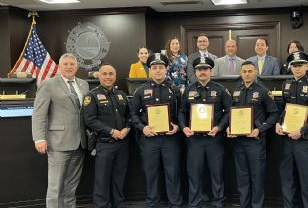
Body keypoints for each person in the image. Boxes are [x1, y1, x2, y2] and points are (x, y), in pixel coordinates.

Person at [32, 53, 89, 208]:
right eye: (66, 64)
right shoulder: (48, 84)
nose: (69, 67)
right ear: (59, 66)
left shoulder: (84, 84)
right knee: (55, 187)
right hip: (57, 144)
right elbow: (39, 113)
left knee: (71, 187)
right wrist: (39, 138)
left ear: (77, 66)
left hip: (79, 143)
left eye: (72, 64)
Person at [178, 56, 232, 208]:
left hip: (214, 139)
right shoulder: (188, 89)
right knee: (194, 174)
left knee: (216, 174)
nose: (202, 72)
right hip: (194, 140)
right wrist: (184, 127)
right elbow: (182, 111)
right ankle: (194, 203)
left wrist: (219, 127)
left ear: (210, 71)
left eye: (205, 69)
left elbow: (229, 112)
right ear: (195, 72)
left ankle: (218, 202)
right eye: (199, 69)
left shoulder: (220, 89)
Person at [275, 51, 308, 208]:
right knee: (287, 180)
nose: (297, 68)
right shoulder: (287, 84)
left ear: (307, 66)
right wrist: (278, 123)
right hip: (287, 141)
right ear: (290, 68)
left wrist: (302, 130)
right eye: (294, 66)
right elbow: (284, 110)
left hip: (306, 142)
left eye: (300, 65)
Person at [132, 54, 183, 208]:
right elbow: (133, 114)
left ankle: (175, 202)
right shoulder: (140, 90)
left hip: (170, 138)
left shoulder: (174, 89)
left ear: (166, 69)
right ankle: (152, 202)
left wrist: (178, 126)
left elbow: (181, 110)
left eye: (161, 67)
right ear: (150, 69)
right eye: (154, 67)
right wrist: (143, 128)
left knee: (172, 172)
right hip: (149, 138)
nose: (158, 70)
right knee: (151, 172)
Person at [227, 60, 278, 208]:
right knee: (242, 177)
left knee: (257, 177)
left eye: (250, 71)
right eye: (244, 72)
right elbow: (232, 113)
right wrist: (229, 128)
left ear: (255, 72)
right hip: (239, 141)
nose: (247, 74)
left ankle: (257, 205)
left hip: (255, 141)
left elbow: (274, 114)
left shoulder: (263, 91)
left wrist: (260, 129)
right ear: (240, 73)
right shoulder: (236, 90)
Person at [83, 63, 131, 208]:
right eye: (105, 74)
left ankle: (119, 204)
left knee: (119, 178)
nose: (108, 77)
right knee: (102, 180)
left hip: (122, 144)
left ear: (115, 76)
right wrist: (111, 131)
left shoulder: (121, 95)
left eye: (111, 74)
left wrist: (127, 128)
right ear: (99, 75)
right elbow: (90, 120)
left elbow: (129, 115)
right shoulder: (91, 96)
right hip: (104, 144)